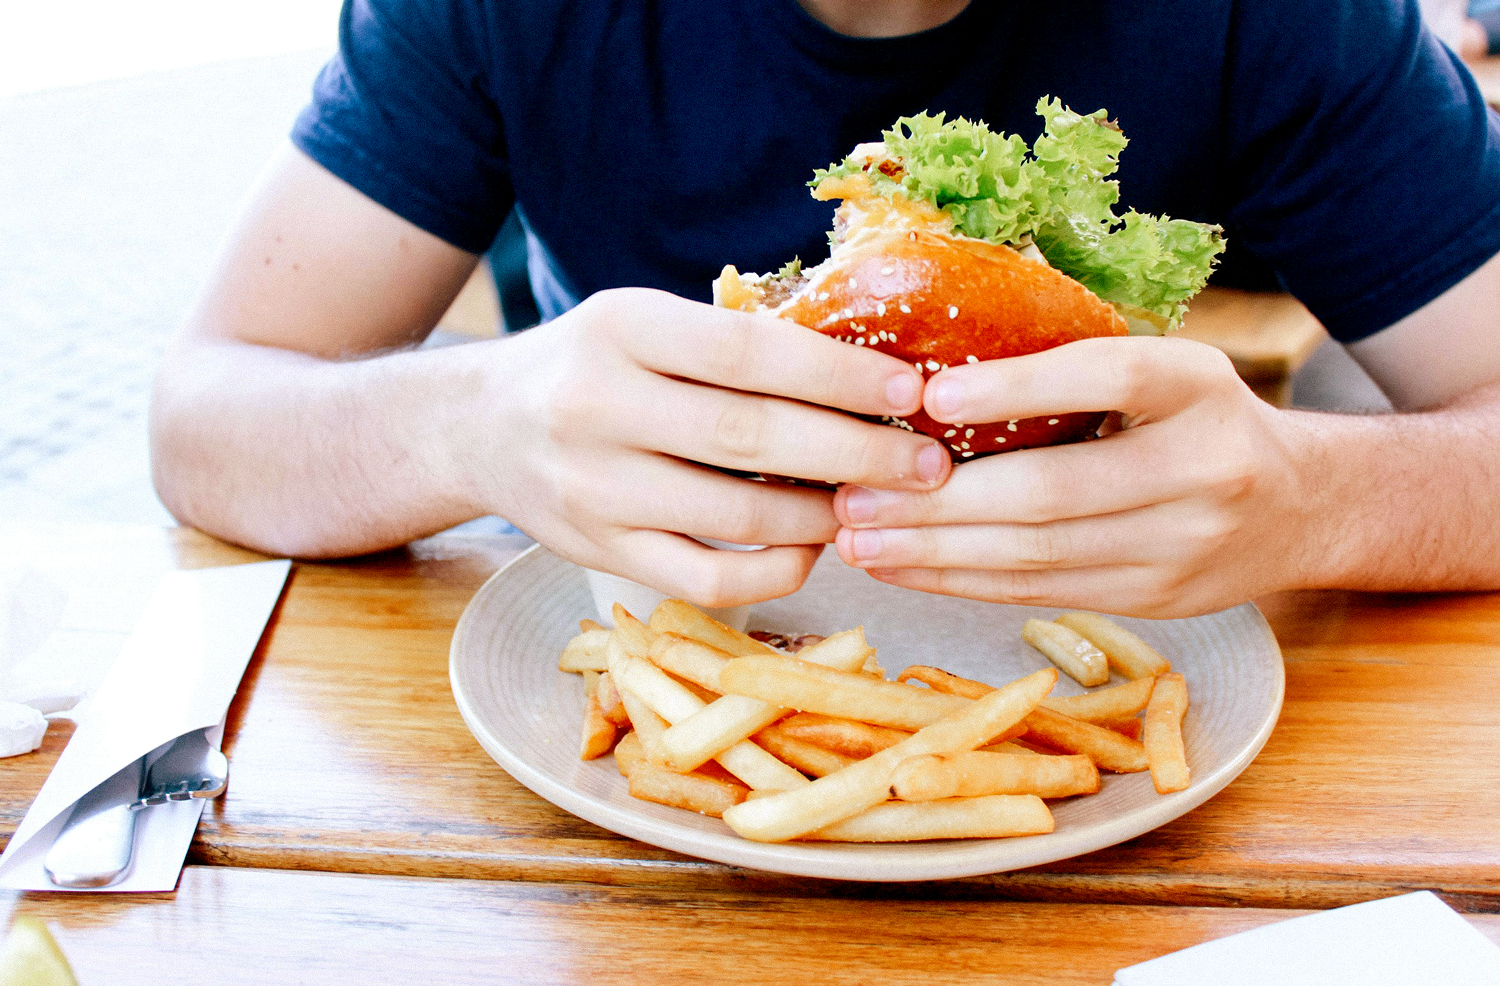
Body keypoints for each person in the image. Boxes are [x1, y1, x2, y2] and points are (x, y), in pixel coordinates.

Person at [150, 0, 1500, 619]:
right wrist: (465, 422)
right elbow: (204, 418)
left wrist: (1316, 495)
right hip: (608, 699)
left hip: (1146, 738)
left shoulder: (1288, 18)